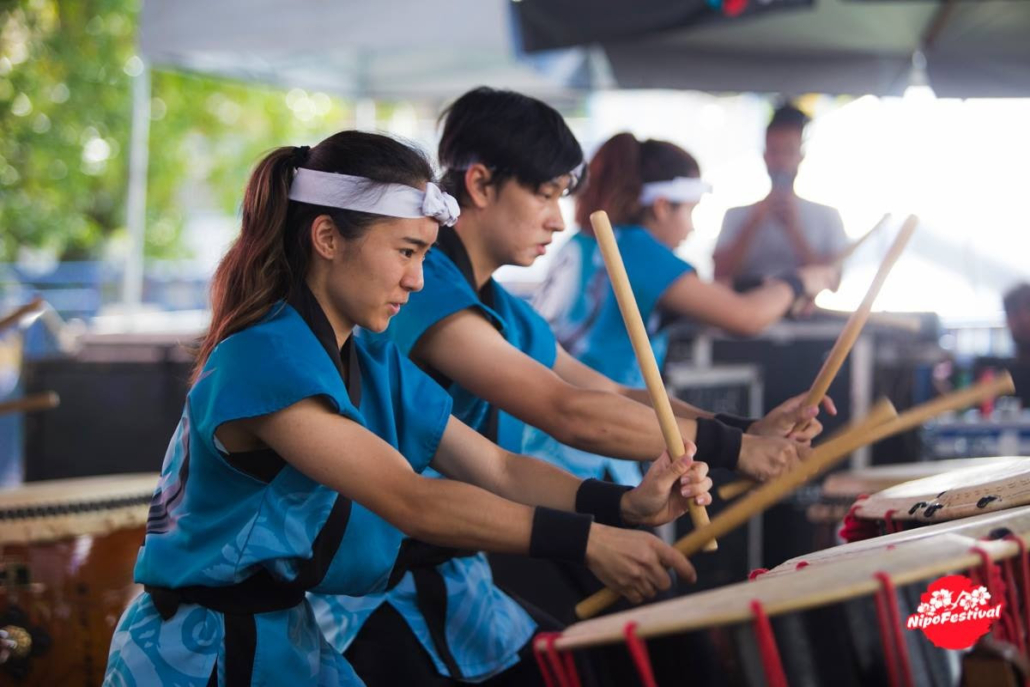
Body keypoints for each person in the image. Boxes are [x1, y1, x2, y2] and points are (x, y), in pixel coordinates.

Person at [102, 131, 711, 686]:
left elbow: (495, 467)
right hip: (195, 655)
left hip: (283, 633)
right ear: (327, 238)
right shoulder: (261, 358)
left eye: (424, 256)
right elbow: (412, 501)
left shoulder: (368, 355)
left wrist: (623, 505)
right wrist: (586, 542)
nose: (418, 281)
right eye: (405, 252)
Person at [319, 89, 828, 686]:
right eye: (545, 193)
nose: (559, 219)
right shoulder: (421, 293)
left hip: (442, 561)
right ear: (480, 185)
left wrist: (743, 432)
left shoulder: (495, 304)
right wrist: (733, 453)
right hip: (354, 593)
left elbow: (597, 396)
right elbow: (565, 412)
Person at [713, 104, 848, 290]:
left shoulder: (827, 215)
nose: (781, 160)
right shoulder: (736, 215)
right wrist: (753, 223)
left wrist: (794, 230)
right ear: (765, 156)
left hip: (806, 315)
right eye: (775, 151)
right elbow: (719, 276)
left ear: (801, 156)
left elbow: (834, 282)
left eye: (789, 151)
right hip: (744, 312)